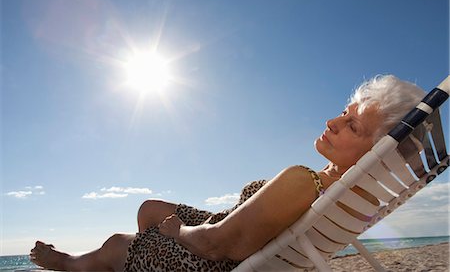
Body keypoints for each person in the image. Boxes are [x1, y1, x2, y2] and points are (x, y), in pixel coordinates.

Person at [30, 75, 425, 272]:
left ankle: (70, 263)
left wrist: (176, 233)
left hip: (214, 259)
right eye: (345, 112)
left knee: (125, 239)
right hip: (244, 240)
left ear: (378, 151)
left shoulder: (305, 181)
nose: (333, 121)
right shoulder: (359, 196)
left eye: (352, 126)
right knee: (151, 207)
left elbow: (220, 245)